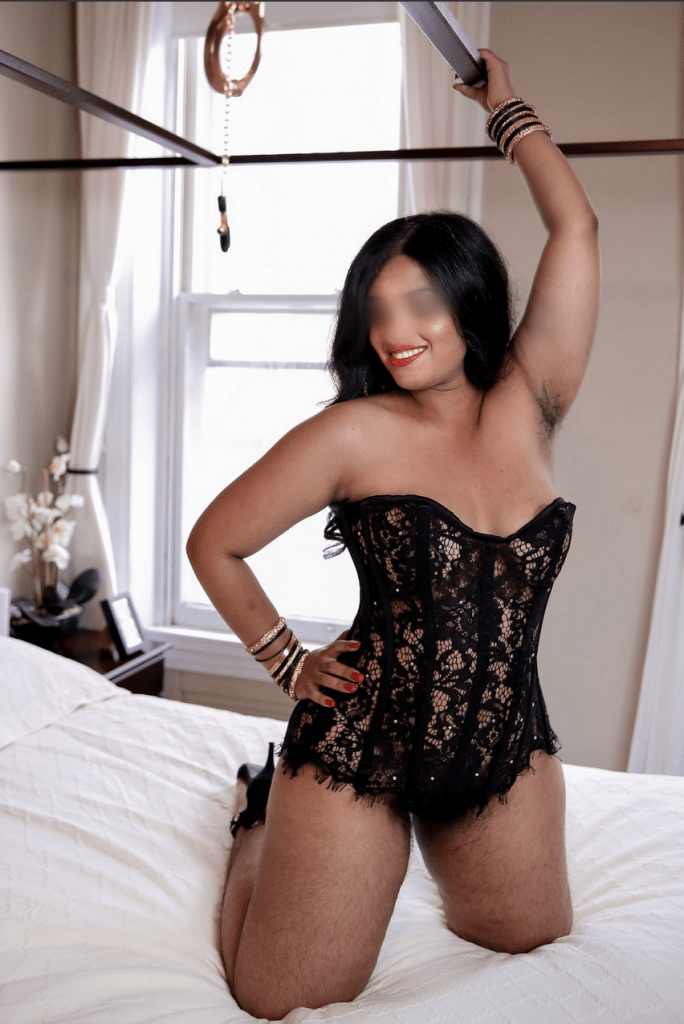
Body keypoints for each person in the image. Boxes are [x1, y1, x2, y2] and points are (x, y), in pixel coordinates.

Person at [186, 49, 600, 1020]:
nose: (394, 330)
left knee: (529, 940)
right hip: (361, 746)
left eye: (421, 303)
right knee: (277, 996)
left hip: (502, 744)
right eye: (376, 309)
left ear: (470, 300)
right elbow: (215, 541)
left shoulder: (530, 403)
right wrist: (289, 662)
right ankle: (259, 816)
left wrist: (507, 110)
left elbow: (576, 226)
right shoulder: (354, 433)